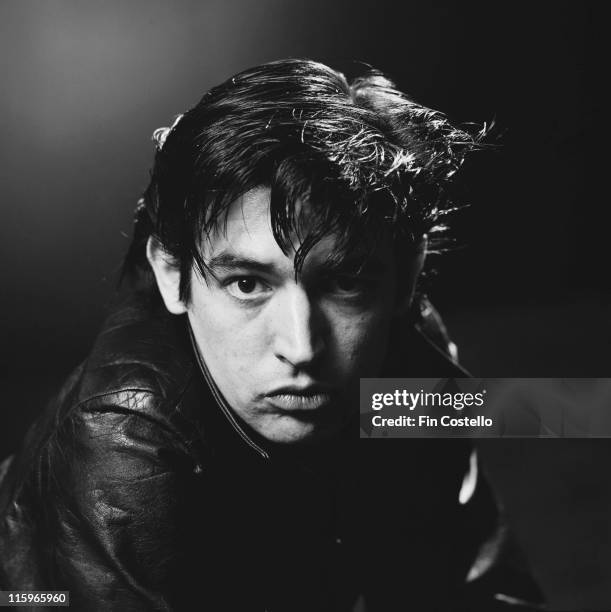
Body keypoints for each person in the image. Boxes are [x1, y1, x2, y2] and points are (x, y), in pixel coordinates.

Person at [0, 59, 540, 611]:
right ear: (170, 274)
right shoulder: (123, 453)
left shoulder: (410, 358)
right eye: (247, 283)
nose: (302, 348)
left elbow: (472, 580)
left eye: (346, 281)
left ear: (405, 277)